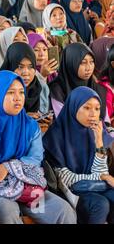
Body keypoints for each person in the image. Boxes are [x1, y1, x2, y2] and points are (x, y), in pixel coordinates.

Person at [0, 70, 77, 224]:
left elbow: (36, 158)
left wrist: (7, 167)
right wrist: (15, 171)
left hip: (26, 189)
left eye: (21, 92)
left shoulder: (30, 126)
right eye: (10, 92)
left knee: (62, 210)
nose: (18, 98)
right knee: (7, 211)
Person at [43, 87, 114, 224]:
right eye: (87, 108)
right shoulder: (56, 136)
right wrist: (104, 179)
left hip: (93, 186)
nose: (93, 114)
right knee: (100, 204)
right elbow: (66, 180)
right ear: (74, 107)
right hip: (70, 192)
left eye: (97, 108)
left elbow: (101, 172)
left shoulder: (96, 132)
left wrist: (99, 142)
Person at [49, 43, 107, 119]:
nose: (89, 68)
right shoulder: (58, 90)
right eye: (83, 63)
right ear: (70, 62)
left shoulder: (98, 88)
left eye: (91, 62)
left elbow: (106, 121)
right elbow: (62, 120)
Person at [0, 42, 50, 115]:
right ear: (10, 66)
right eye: (20, 67)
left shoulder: (40, 87)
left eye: (30, 67)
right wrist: (24, 119)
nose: (26, 73)